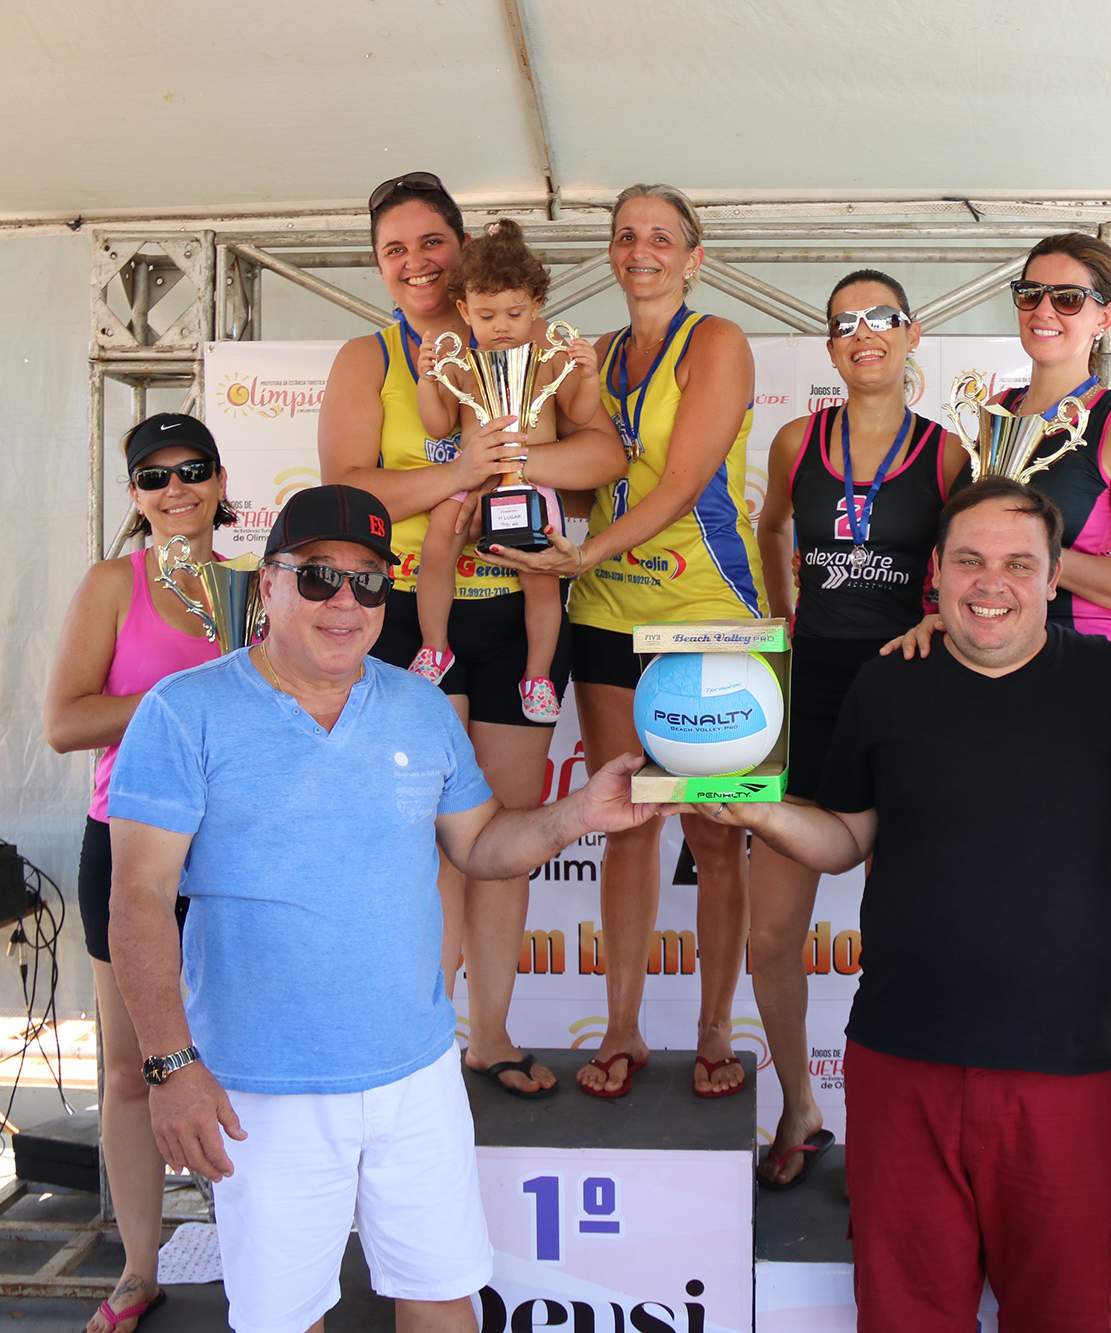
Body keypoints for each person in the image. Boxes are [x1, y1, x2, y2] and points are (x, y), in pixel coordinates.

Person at [106, 485, 660, 1333]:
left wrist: (582, 810)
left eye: (369, 582)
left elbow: (479, 846)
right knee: (285, 1318)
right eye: (320, 576)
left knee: (444, 1298)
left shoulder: (419, 705)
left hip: (417, 1070)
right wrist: (171, 1066)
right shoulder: (184, 712)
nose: (346, 601)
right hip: (263, 1089)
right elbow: (138, 897)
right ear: (269, 582)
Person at [690, 479, 1111, 1331]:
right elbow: (846, 840)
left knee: (1067, 1312)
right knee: (905, 1313)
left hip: (1063, 1072)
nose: (990, 582)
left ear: (1054, 580)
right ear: (933, 572)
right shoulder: (887, 683)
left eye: (1018, 563)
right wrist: (758, 811)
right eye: (969, 560)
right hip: (902, 1064)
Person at [318, 172, 628, 1101]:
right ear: (380, 268)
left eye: (429, 244)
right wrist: (462, 474)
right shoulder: (370, 358)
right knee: (424, 843)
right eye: (394, 251)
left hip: (523, 604)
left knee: (505, 835)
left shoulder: (541, 347)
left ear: (464, 253)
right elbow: (345, 490)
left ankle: (489, 1037)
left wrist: (519, 461)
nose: (415, 263)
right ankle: (421, 1044)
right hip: (412, 611)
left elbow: (606, 455)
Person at [484, 184, 766, 1101]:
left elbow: (683, 483)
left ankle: (717, 1029)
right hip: (605, 610)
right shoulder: (589, 354)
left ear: (693, 257)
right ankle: (622, 1027)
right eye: (624, 236)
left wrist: (582, 552)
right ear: (610, 254)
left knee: (717, 836)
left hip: (704, 613)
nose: (639, 249)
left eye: (660, 237)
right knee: (628, 822)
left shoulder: (715, 340)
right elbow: (575, 471)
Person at [749, 269, 963, 1187]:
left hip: (910, 696)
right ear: (831, 344)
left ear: (912, 335)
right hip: (813, 697)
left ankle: (898, 1131)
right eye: (845, 322)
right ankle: (800, 1103)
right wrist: (779, 617)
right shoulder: (797, 440)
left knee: (903, 935)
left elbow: (970, 559)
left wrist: (938, 619)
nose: (862, 333)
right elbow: (767, 530)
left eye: (881, 319)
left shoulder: (949, 454)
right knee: (771, 933)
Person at [44, 412, 231, 1333]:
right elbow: (65, 721)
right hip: (126, 843)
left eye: (191, 469)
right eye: (154, 477)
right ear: (134, 497)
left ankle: (262, 1250)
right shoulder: (112, 584)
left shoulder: (255, 585)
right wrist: (178, 702)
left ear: (220, 479)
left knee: (247, 1061)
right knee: (131, 1067)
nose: (175, 489)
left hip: (238, 848)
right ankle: (139, 1268)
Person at [413, 218, 602, 724]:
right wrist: (427, 379)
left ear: (537, 307)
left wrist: (588, 376)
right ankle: (435, 647)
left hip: (534, 488)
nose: (500, 325)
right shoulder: (459, 365)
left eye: (515, 313)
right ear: (463, 310)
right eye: (486, 313)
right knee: (437, 547)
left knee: (541, 579)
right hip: (472, 481)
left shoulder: (548, 361)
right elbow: (436, 426)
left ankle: (537, 675)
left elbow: (581, 418)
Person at [988, 232, 1111, 640]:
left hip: (1075, 653)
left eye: (1067, 298)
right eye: (1030, 293)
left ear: (1104, 318)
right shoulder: (994, 410)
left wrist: (1040, 559)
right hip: (978, 644)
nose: (1044, 311)